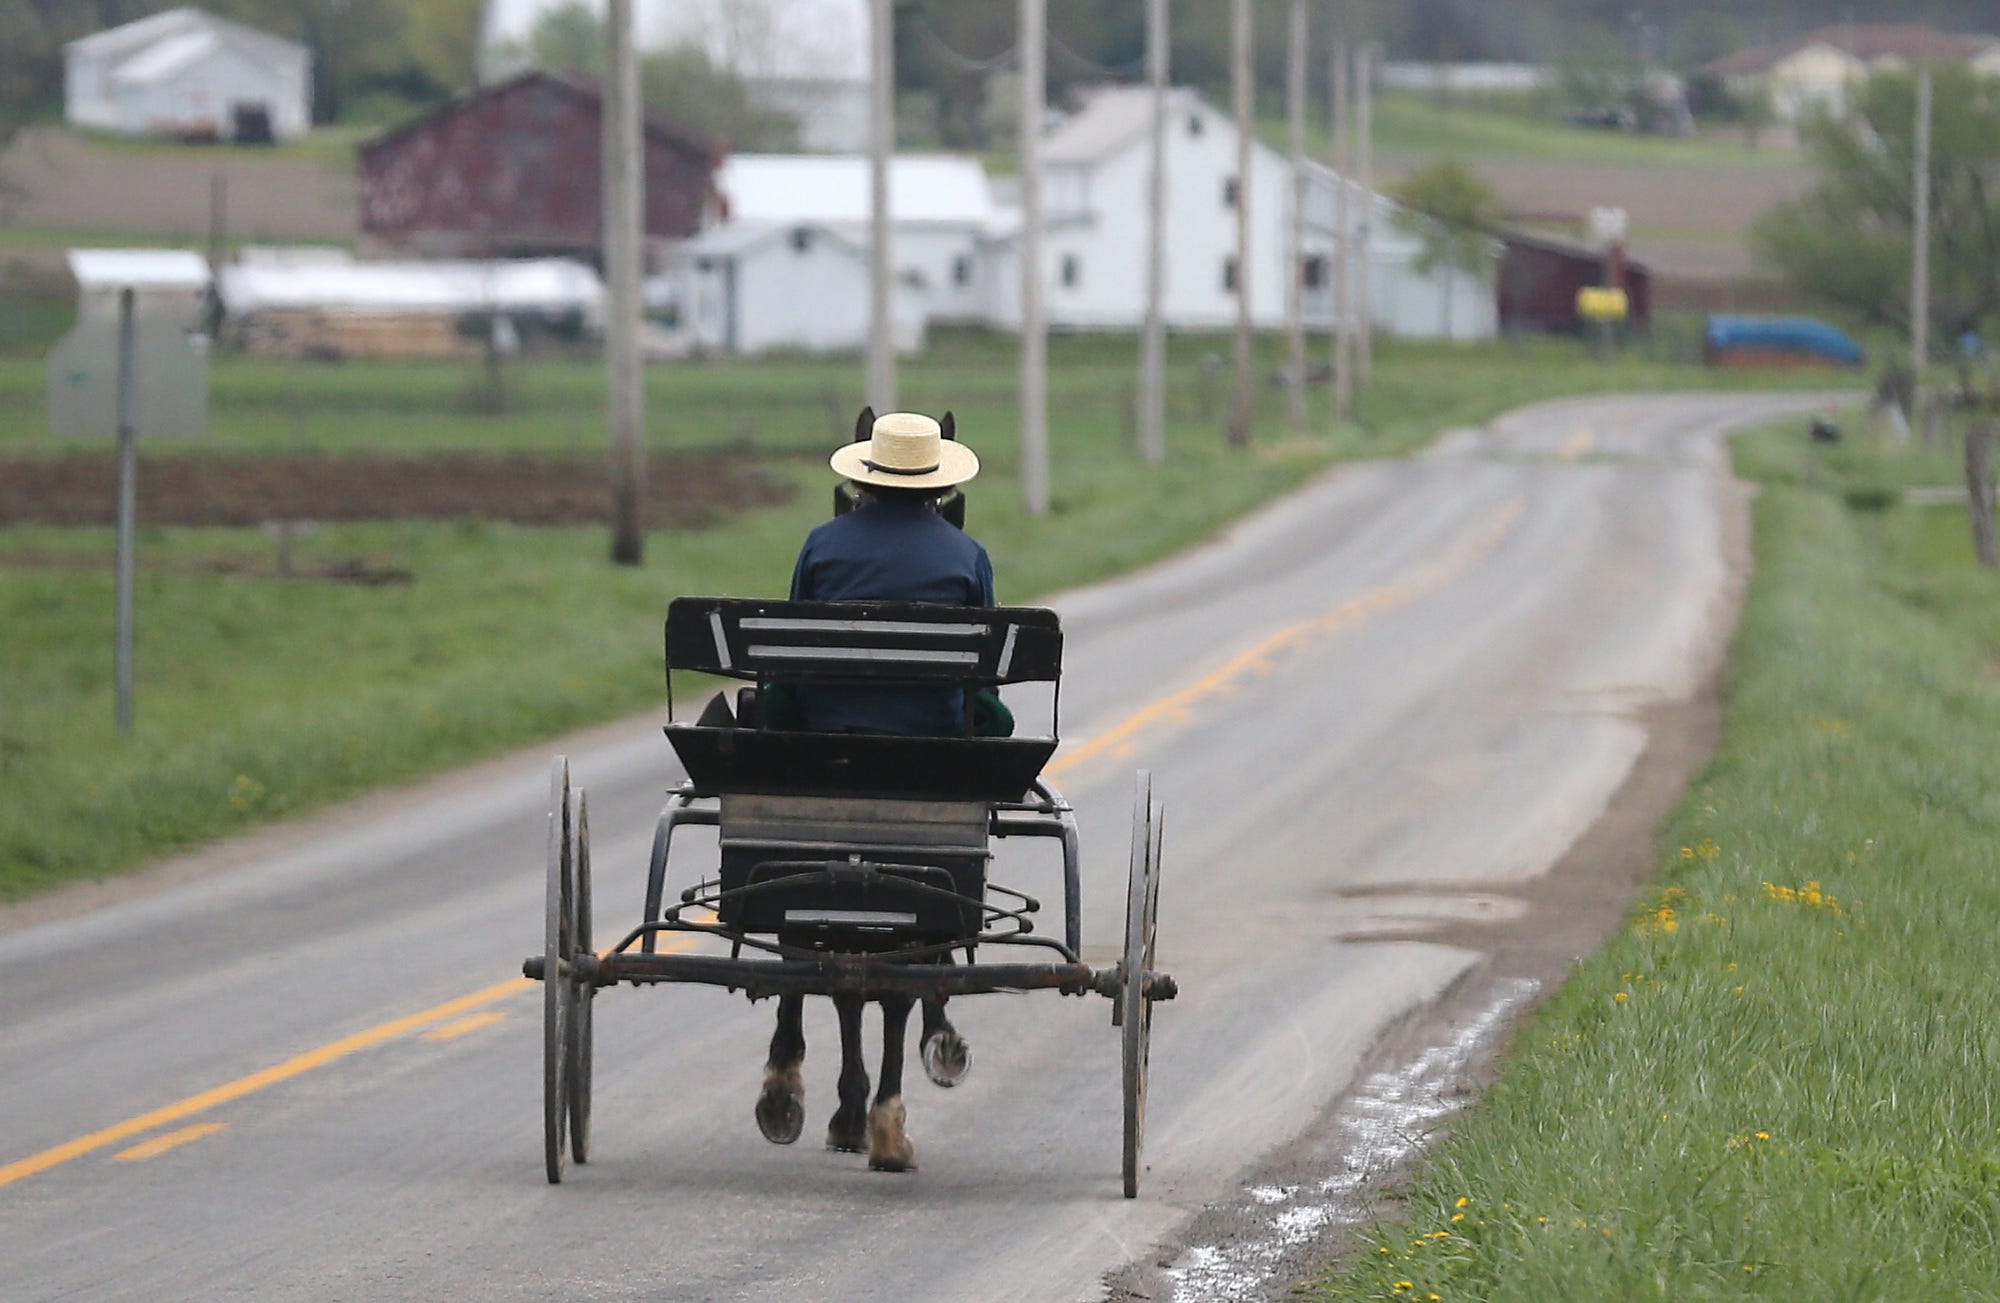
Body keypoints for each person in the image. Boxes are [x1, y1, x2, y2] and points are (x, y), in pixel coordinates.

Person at [782, 409, 1009, 737]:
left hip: (825, 724)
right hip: (937, 728)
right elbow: (986, 665)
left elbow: (791, 643)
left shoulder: (821, 542)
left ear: (864, 476)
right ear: (940, 483)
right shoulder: (968, 554)